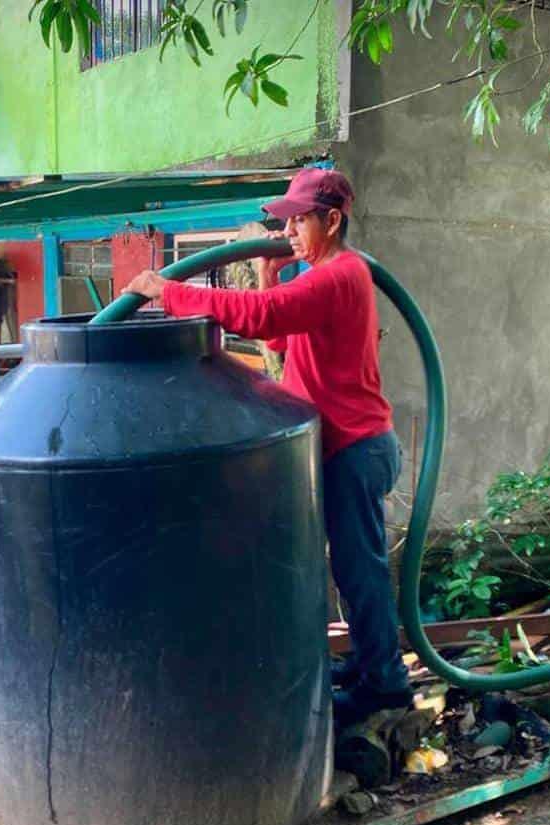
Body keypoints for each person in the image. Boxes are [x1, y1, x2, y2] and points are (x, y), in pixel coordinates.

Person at [124, 168, 413, 729]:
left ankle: (387, 685)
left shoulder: (340, 275)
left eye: (298, 220)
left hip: (354, 448)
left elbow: (264, 320)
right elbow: (282, 337)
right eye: (286, 222)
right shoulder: (320, 272)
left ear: (332, 220)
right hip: (343, 444)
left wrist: (168, 291)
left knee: (360, 572)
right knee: (350, 569)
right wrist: (265, 273)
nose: (288, 232)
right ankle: (369, 667)